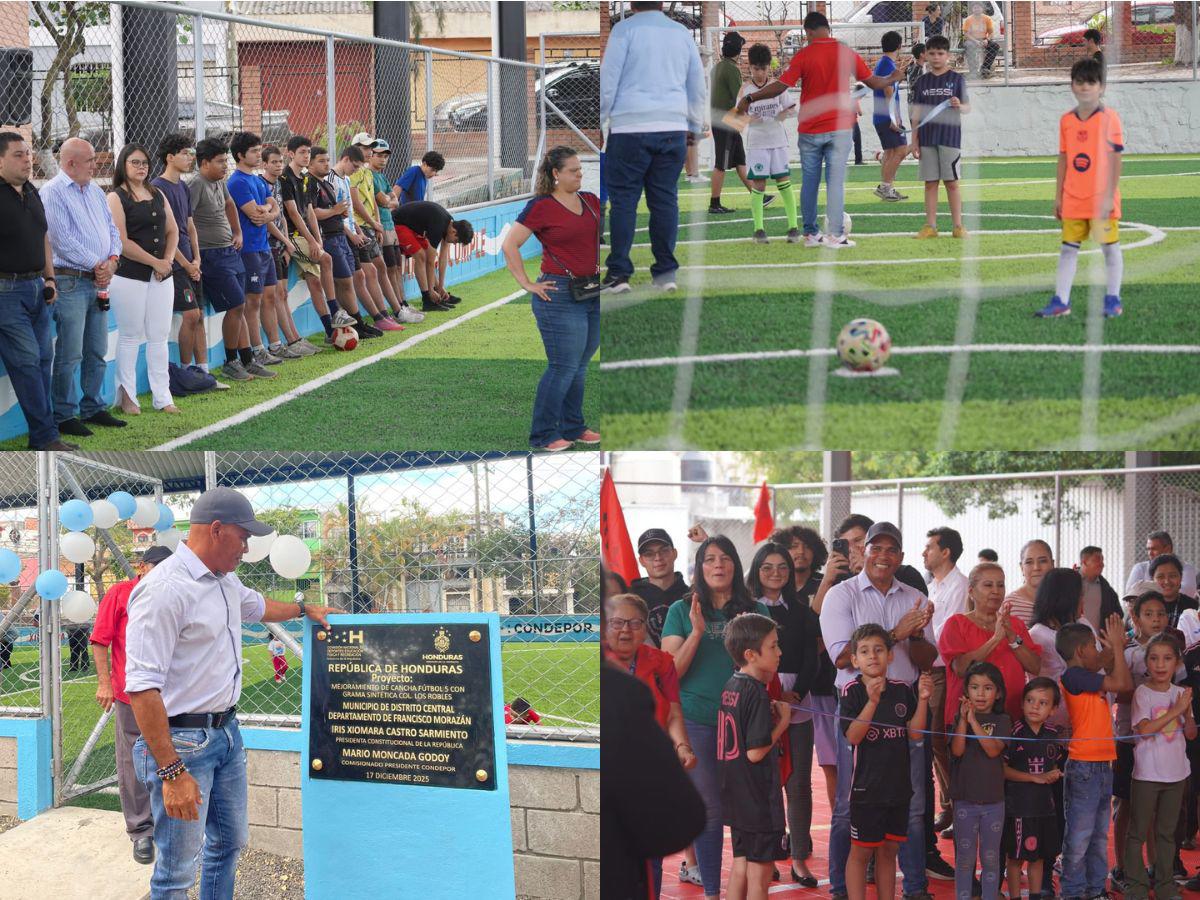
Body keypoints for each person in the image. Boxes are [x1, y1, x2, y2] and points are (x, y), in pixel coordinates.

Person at [124, 487, 339, 899]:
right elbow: (142, 687)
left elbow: (258, 606)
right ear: (217, 530)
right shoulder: (165, 589)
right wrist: (171, 772)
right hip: (180, 744)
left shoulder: (224, 580)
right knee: (176, 872)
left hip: (225, 734)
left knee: (228, 844)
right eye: (243, 537)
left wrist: (303, 608)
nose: (247, 547)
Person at [819, 521, 937, 900]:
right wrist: (898, 632)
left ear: (901, 557)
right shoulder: (841, 595)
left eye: (891, 549)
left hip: (905, 706)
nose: (883, 556)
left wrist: (916, 635)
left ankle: (915, 887)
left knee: (912, 803)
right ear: (863, 552)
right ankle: (841, 890)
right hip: (860, 705)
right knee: (847, 807)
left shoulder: (914, 595)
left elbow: (928, 658)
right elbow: (841, 658)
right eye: (876, 548)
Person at [659, 536, 770, 900]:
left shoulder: (755, 610)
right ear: (699, 568)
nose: (718, 565)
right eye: (709, 559)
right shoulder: (681, 609)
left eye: (725, 558)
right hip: (698, 719)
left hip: (747, 723)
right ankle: (711, 891)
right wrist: (697, 632)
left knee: (745, 808)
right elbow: (670, 672)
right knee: (708, 808)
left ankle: (741, 889)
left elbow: (768, 667)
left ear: (736, 565)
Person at [734, 11, 902, 249]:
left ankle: (811, 234)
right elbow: (874, 82)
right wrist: (894, 77)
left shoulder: (804, 55)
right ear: (827, 29)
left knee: (809, 183)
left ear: (809, 31)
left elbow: (780, 86)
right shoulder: (846, 52)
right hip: (838, 128)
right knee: (834, 183)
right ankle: (835, 235)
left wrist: (750, 97)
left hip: (809, 130)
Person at [600, 0, 705, 294]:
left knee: (624, 202)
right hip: (672, 127)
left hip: (629, 127)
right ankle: (665, 274)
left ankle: (619, 274)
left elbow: (608, 82)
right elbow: (696, 84)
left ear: (632, 3)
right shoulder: (681, 33)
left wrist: (600, 121)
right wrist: (694, 125)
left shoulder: (623, 30)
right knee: (664, 200)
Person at [603, 591, 700, 900]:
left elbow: (673, 711)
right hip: (612, 771)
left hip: (647, 765)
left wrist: (682, 746)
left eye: (634, 623)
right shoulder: (601, 667)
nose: (625, 630)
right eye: (617, 622)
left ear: (645, 628)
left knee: (650, 855)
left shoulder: (661, 663)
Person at [504, 146, 600, 452]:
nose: (579, 174)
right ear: (556, 174)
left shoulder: (591, 201)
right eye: (573, 170)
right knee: (563, 366)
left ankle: (573, 426)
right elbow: (510, 245)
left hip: (592, 292)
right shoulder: (541, 206)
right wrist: (527, 283)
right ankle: (543, 434)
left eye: (580, 169)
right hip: (558, 294)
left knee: (580, 365)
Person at [40, 137, 127, 438]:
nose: (96, 164)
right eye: (90, 159)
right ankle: (64, 414)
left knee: (96, 349)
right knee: (70, 352)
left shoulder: (94, 191)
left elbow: (112, 230)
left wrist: (112, 262)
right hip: (71, 281)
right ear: (71, 163)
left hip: (96, 280)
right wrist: (100, 266)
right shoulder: (51, 193)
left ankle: (93, 406)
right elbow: (61, 240)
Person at [91, 545, 172, 864]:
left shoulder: (174, 594)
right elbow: (100, 639)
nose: (165, 574)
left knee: (174, 757)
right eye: (159, 568)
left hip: (173, 696)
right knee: (133, 761)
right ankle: (142, 831)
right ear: (143, 567)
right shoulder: (121, 593)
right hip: (132, 696)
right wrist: (104, 682)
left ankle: (172, 824)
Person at [747, 542, 821, 887]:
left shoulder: (803, 611)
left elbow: (811, 657)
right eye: (767, 567)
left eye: (782, 567)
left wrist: (796, 693)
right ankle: (768, 854)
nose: (775, 573)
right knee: (765, 782)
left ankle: (800, 857)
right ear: (757, 571)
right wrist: (768, 695)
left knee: (799, 783)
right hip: (760, 699)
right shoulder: (746, 610)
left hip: (796, 702)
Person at [841, 625, 933, 900]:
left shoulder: (902, 689)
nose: (873, 656)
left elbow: (915, 734)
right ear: (855, 660)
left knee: (889, 851)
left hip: (898, 789)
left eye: (879, 650)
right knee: (860, 852)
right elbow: (854, 736)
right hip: (867, 791)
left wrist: (924, 700)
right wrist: (872, 701)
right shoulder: (852, 691)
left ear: (890, 656)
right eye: (865, 651)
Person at [1036, 57, 1125, 319]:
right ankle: (1061, 301)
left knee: (1109, 248)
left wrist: (1109, 195)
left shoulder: (1110, 119)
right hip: (1073, 198)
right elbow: (1063, 158)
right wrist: (1058, 196)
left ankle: (1113, 299)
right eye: (1080, 82)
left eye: (1091, 82)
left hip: (1101, 200)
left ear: (1102, 87)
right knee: (1068, 249)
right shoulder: (1066, 121)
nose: (1085, 87)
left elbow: (1116, 159)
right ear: (1072, 86)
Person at [0, 131, 70, 450]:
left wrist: (50, 279)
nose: (27, 159)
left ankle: (45, 433)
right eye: (18, 154)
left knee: (44, 358)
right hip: (6, 292)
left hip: (36, 288)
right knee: (28, 361)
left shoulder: (32, 190)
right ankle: (45, 436)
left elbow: (43, 237)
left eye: (28, 153)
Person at [1110, 589, 1184, 892]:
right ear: (1135, 619)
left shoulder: (1171, 650)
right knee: (1127, 806)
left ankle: (1156, 867)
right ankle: (1123, 867)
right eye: (1148, 614)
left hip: (1165, 745)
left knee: (1157, 813)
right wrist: (1146, 685)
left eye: (1161, 613)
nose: (1156, 618)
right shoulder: (1128, 652)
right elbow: (1119, 691)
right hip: (1131, 739)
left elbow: (1177, 698)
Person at [1056, 615, 1132, 900]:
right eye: (1093, 647)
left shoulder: (1083, 673)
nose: (1098, 653)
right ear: (1080, 652)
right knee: (1079, 837)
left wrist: (1115, 647)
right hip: (1085, 766)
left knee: (1099, 837)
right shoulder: (1074, 676)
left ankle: (1095, 889)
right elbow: (1122, 682)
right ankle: (1073, 892)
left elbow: (1101, 663)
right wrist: (1117, 649)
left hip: (1101, 765)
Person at [718, 613, 791, 900]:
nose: (779, 652)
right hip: (756, 798)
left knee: (740, 866)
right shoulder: (757, 693)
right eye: (773, 646)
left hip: (735, 793)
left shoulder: (732, 684)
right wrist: (783, 722)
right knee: (759, 878)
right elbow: (756, 752)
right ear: (751, 654)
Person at [189, 138, 274, 383]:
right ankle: (231, 361)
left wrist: (237, 232)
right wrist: (195, 254)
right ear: (204, 163)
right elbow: (187, 220)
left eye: (225, 161)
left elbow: (229, 205)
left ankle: (247, 359)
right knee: (236, 305)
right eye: (219, 162)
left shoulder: (220, 183)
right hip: (210, 256)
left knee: (242, 305)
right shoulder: (196, 184)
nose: (225, 166)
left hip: (229, 251)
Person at [106, 142, 179, 415]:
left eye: (144, 163)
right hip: (129, 277)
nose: (141, 167)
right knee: (130, 336)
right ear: (123, 165)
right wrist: (155, 262)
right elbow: (122, 241)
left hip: (162, 275)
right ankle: (128, 398)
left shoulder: (157, 193)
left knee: (159, 337)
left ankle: (163, 397)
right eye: (135, 162)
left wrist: (167, 262)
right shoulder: (116, 197)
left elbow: (173, 230)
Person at [152, 133, 226, 388]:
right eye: (184, 153)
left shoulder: (183, 186)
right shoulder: (157, 187)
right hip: (174, 263)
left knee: (200, 315)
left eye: (190, 153)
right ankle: (187, 374)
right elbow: (166, 233)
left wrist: (197, 258)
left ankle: (204, 372)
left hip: (192, 261)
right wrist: (186, 263)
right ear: (170, 158)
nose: (189, 157)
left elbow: (190, 226)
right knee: (191, 315)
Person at [1125, 633, 1195, 900]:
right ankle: (1137, 886)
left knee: (1167, 833)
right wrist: (1178, 710)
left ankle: (1165, 885)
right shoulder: (1143, 693)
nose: (1160, 664)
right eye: (1154, 658)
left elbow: (1190, 734)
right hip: (1147, 774)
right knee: (1138, 832)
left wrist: (1187, 711)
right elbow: (1144, 731)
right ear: (1147, 663)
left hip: (1177, 773)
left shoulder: (1181, 694)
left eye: (1167, 659)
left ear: (1177, 663)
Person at [938, 562, 1041, 731]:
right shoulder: (956, 624)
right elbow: (960, 669)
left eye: (1000, 585)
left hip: (1011, 717)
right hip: (968, 720)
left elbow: (1035, 667)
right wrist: (995, 639)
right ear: (971, 591)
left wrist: (1012, 638)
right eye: (988, 585)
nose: (996, 591)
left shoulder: (1014, 624)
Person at [949, 661, 1012, 900]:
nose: (980, 693)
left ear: (998, 693)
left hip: (994, 801)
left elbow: (993, 750)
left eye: (987, 688)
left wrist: (974, 720)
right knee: (964, 859)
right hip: (965, 800)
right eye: (974, 687)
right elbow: (956, 751)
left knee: (991, 858)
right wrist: (964, 721)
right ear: (966, 692)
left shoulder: (1003, 720)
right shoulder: (960, 719)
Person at [922, 526, 969, 838]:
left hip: (949, 670)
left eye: (929, 547)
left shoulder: (960, 586)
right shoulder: (934, 586)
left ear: (946, 552)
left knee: (941, 738)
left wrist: (919, 629)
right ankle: (949, 805)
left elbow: (945, 633)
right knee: (933, 740)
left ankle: (958, 806)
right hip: (929, 669)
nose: (924, 552)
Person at [227, 131, 285, 369]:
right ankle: (256, 350)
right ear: (240, 155)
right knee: (253, 302)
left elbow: (273, 209)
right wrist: (268, 211)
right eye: (253, 151)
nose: (258, 154)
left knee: (269, 296)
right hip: (249, 250)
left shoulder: (256, 180)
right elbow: (255, 215)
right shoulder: (238, 181)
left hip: (264, 247)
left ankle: (274, 345)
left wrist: (268, 211)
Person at [1002, 678, 1064, 900]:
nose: (1035, 706)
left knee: (1038, 857)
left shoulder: (1052, 733)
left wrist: (1054, 773)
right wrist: (1033, 777)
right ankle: (1016, 896)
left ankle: (1036, 896)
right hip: (1020, 808)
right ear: (1022, 703)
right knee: (1016, 858)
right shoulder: (1014, 732)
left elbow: (1053, 764)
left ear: (1053, 709)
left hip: (1044, 808)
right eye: (1030, 700)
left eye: (1042, 702)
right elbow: (1002, 769)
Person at [257, 144, 318, 360]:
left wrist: (285, 244)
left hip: (281, 245)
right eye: (273, 162)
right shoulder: (260, 184)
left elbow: (280, 215)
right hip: (269, 245)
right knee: (273, 296)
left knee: (282, 294)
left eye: (279, 162)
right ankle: (285, 341)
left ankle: (294, 338)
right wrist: (286, 242)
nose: (278, 166)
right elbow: (267, 222)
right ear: (264, 164)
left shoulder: (278, 186)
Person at [280, 135, 341, 343]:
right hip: (292, 235)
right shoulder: (285, 178)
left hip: (306, 236)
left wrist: (318, 239)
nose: (306, 156)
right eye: (302, 152)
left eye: (308, 152)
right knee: (327, 260)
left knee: (315, 283)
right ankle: (335, 311)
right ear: (291, 154)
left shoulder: (306, 179)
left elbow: (309, 211)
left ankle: (329, 332)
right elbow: (293, 213)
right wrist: (312, 241)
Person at [327, 146, 394, 334]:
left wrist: (357, 230)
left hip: (352, 233)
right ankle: (356, 323)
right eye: (355, 166)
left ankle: (362, 321)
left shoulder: (346, 179)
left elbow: (348, 212)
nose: (356, 170)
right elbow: (334, 214)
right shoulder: (330, 180)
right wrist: (352, 234)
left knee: (356, 277)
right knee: (345, 280)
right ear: (346, 159)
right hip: (339, 235)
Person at [911, 35, 971, 239]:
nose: (936, 57)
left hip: (950, 139)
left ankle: (958, 226)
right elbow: (916, 114)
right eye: (932, 53)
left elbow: (967, 108)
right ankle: (931, 226)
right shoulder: (921, 82)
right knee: (930, 183)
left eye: (940, 53)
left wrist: (958, 105)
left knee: (952, 182)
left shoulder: (957, 80)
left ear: (948, 55)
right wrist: (914, 141)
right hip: (927, 140)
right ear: (925, 55)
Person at [737, 43, 798, 243]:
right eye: (756, 69)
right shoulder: (745, 89)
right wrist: (748, 120)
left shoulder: (777, 86)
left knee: (784, 181)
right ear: (750, 67)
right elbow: (734, 118)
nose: (760, 73)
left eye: (763, 69)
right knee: (759, 184)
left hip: (778, 142)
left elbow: (792, 109)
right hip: (757, 144)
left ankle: (793, 227)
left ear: (768, 67)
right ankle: (759, 230)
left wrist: (783, 114)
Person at [348, 138, 408, 329]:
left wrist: (377, 224)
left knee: (382, 267)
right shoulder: (353, 174)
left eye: (370, 148)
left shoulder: (367, 173)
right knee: (374, 270)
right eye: (365, 148)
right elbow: (355, 202)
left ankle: (393, 311)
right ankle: (384, 315)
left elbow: (379, 200)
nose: (369, 152)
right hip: (358, 226)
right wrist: (374, 222)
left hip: (370, 226)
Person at [366, 141, 422, 321]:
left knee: (398, 267)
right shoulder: (369, 176)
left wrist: (388, 201)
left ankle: (402, 303)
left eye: (385, 156)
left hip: (390, 225)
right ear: (370, 155)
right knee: (390, 268)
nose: (383, 160)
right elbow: (382, 200)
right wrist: (388, 201)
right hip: (381, 225)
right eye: (379, 155)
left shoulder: (382, 177)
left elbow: (394, 200)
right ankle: (397, 308)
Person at [392, 198, 474, 313]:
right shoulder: (439, 225)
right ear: (454, 232)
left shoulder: (450, 224)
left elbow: (443, 258)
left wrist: (440, 287)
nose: (454, 243)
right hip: (398, 223)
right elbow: (430, 262)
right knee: (421, 256)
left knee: (426, 254)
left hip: (411, 227)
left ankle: (436, 294)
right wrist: (430, 290)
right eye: (456, 241)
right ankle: (427, 299)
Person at [708, 31, 757, 216]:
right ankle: (714, 203)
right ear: (737, 50)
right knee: (721, 163)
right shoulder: (732, 69)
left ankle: (757, 195)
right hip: (727, 121)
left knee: (740, 160)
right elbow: (740, 99)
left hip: (720, 119)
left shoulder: (717, 67)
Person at [630, 528, 689, 647]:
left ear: (674, 553)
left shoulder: (691, 596)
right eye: (649, 554)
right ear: (641, 561)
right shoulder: (631, 599)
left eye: (664, 551)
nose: (658, 558)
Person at [872, 31, 911, 203]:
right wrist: (895, 119)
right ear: (899, 46)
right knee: (901, 151)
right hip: (887, 117)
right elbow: (888, 92)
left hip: (881, 116)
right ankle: (886, 187)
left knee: (890, 152)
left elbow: (889, 87)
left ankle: (886, 188)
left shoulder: (884, 64)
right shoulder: (887, 65)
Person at [1127, 531, 1198, 598]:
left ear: (1168, 549)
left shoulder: (1186, 568)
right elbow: (1131, 593)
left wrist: (1146, 588)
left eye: (1154, 549)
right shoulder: (1140, 568)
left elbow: (1188, 592)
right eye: (1148, 549)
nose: (1150, 553)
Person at [1006, 539, 1054, 625]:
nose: (1036, 567)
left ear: (1052, 564)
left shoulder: (1064, 600)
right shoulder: (1010, 605)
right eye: (1029, 562)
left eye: (1043, 561)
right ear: (1021, 567)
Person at [1149, 554, 1200, 627]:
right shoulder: (1145, 605)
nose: (1167, 581)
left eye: (1172, 576)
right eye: (1160, 577)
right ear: (1152, 579)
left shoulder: (1193, 606)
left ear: (1181, 577)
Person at [963, 3, 1001, 78]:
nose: (977, 9)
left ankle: (985, 68)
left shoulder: (987, 18)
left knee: (995, 46)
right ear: (972, 9)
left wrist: (987, 40)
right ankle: (973, 71)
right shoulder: (969, 19)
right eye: (975, 8)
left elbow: (991, 33)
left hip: (984, 39)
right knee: (969, 46)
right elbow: (966, 34)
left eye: (978, 8)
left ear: (982, 9)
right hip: (972, 40)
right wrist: (975, 41)